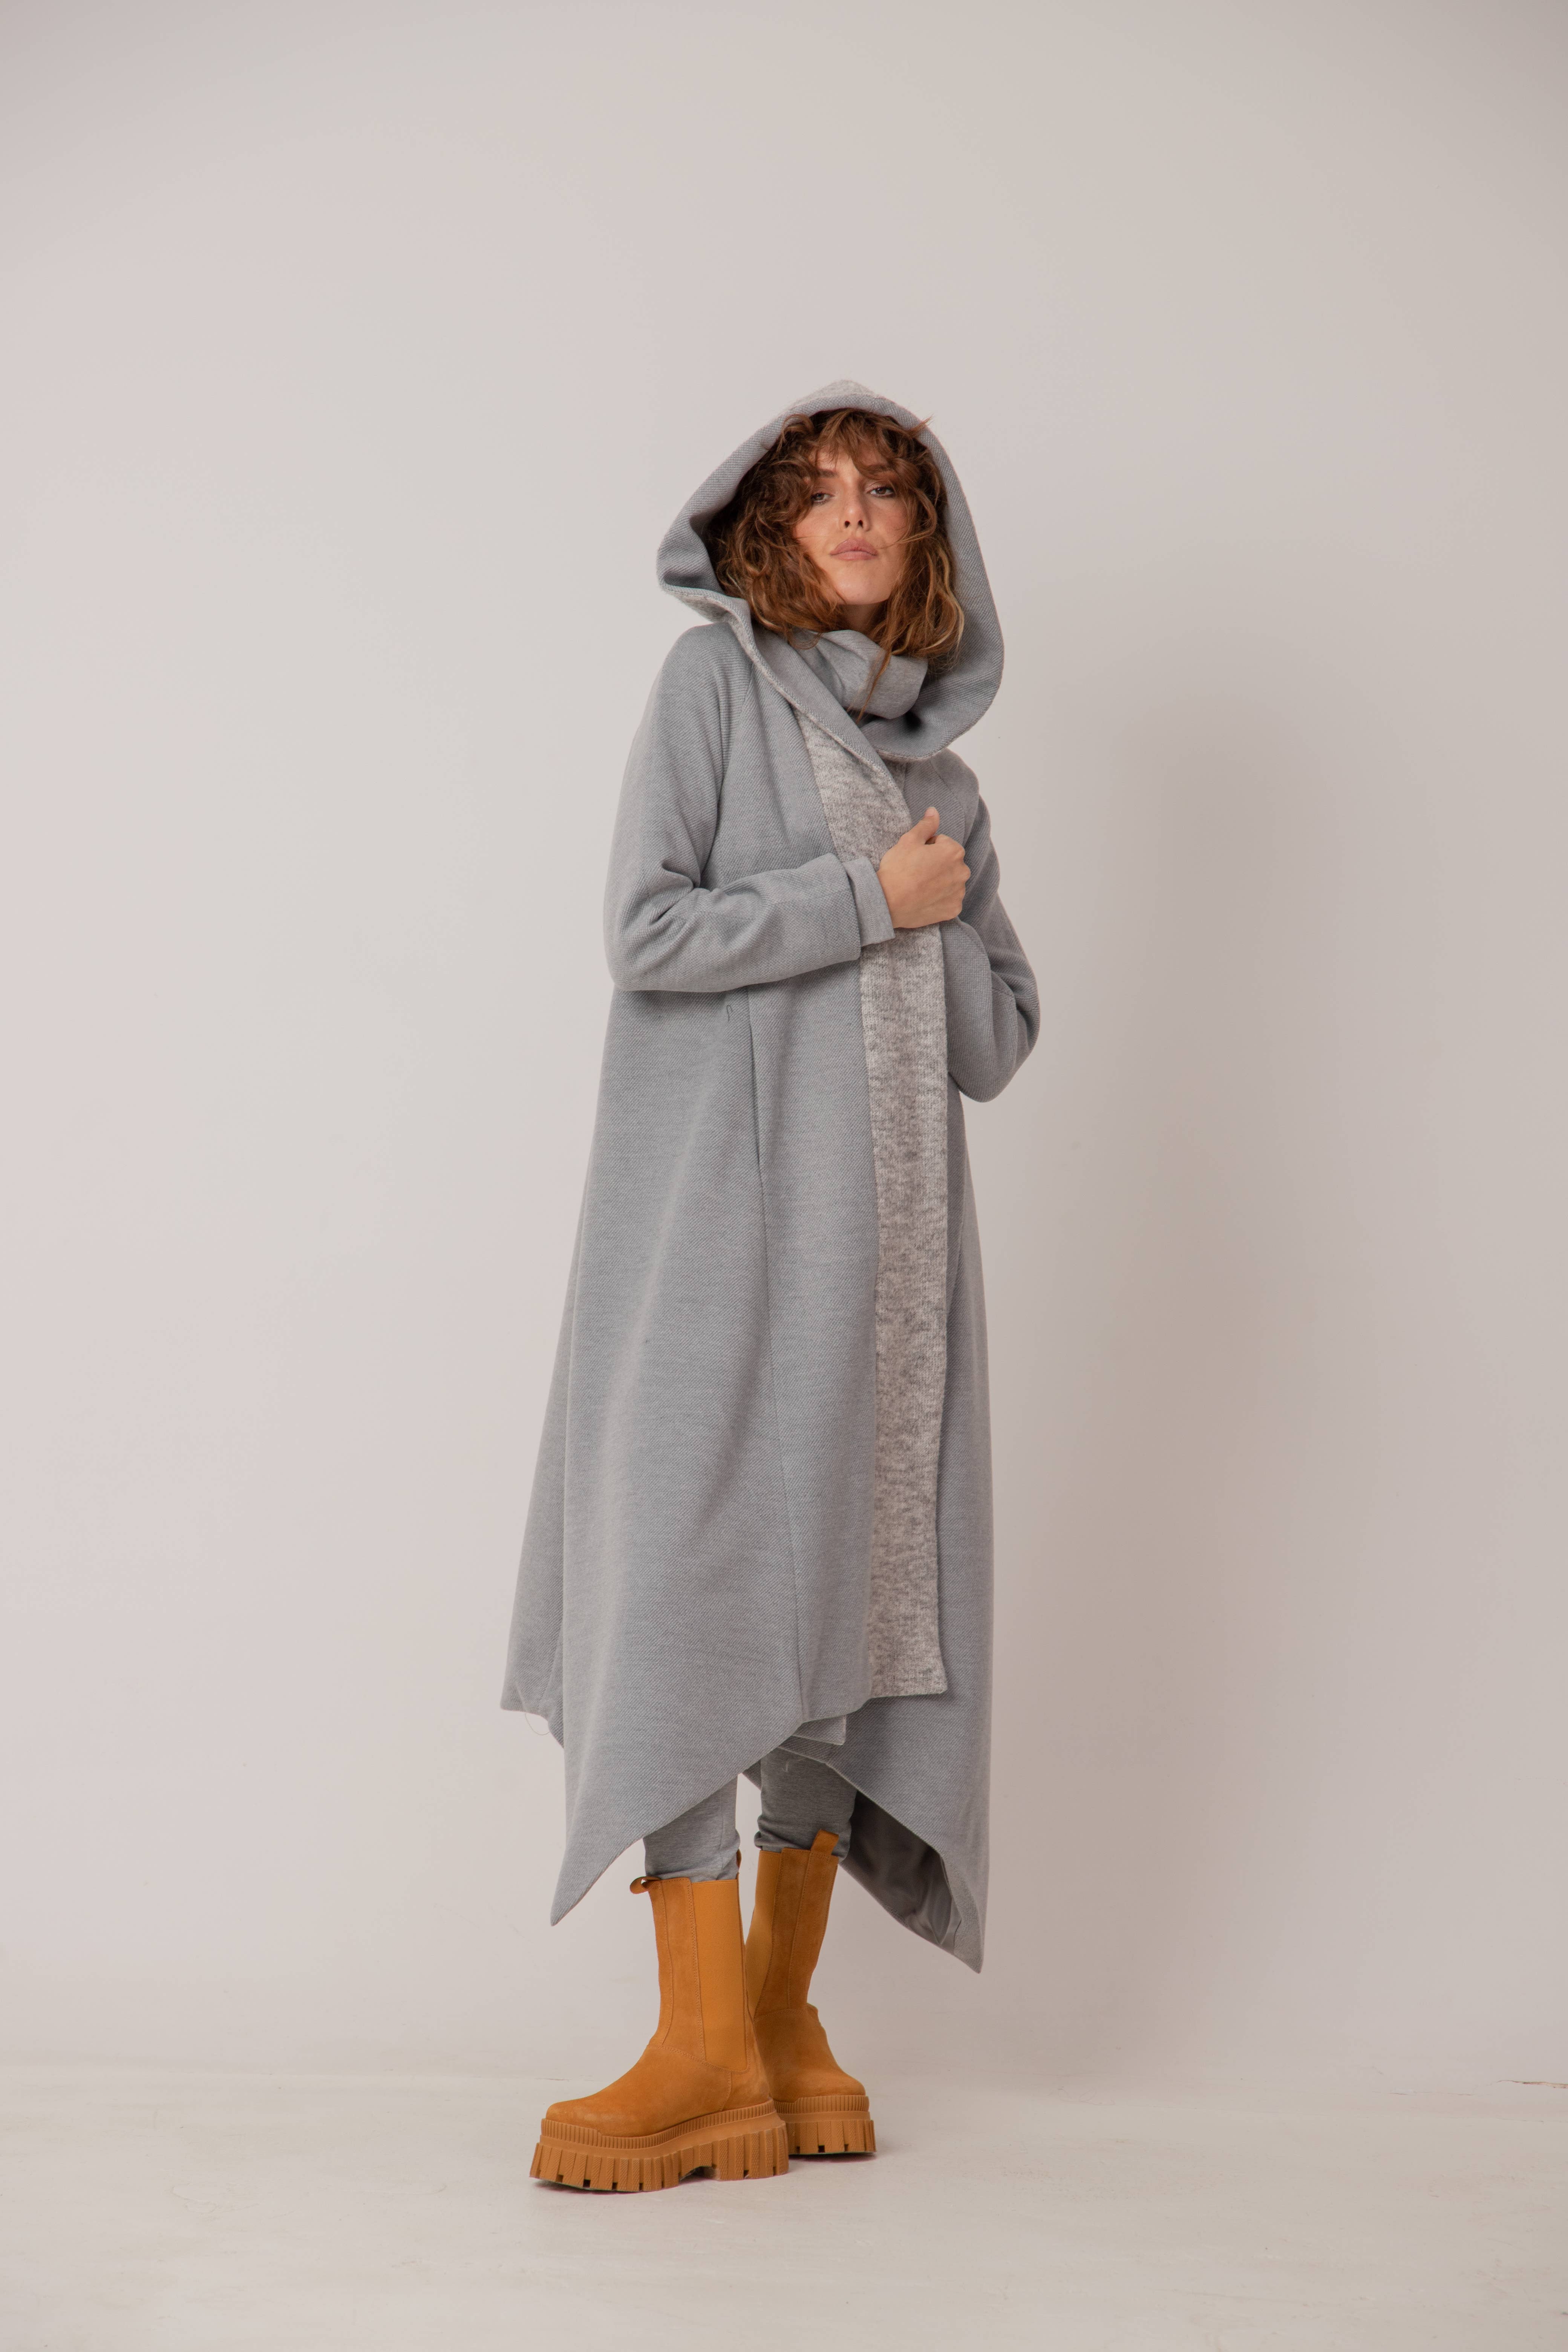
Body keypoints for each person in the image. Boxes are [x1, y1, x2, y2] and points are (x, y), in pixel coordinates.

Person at [505, 381, 1038, 2192]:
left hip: (892, 1269)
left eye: (887, 489)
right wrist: (867, 900)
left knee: (852, 1613)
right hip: (717, 1235)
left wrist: (933, 903)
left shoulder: (942, 781)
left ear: (925, 538)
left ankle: (771, 2029)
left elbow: (994, 1045)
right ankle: (698, 2042)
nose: (857, 512)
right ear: (767, 533)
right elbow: (645, 932)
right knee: (682, 1585)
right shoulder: (711, 691)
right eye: (818, 491)